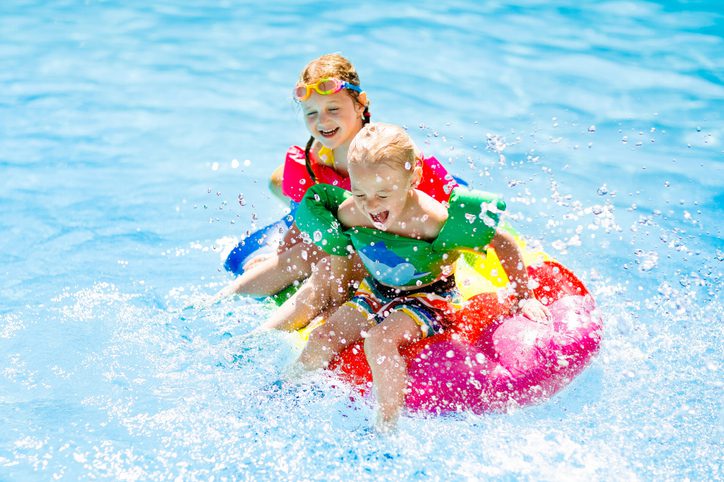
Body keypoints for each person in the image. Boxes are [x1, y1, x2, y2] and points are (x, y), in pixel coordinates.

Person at [291, 123, 551, 431]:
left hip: (429, 296)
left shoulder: (430, 219)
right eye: (360, 192)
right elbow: (344, 251)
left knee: (380, 341)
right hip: (375, 289)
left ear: (413, 178)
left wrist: (524, 297)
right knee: (323, 336)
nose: (371, 205)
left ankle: (386, 426)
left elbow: (502, 242)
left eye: (382, 194)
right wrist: (340, 297)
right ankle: (287, 392)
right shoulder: (351, 211)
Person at [215, 54, 457, 331]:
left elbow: (452, 208)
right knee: (302, 239)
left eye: (333, 109)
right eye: (311, 113)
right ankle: (218, 304)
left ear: (360, 103)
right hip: (344, 237)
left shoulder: (388, 156)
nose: (323, 121)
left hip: (386, 248)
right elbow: (308, 218)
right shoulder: (314, 160)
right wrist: (279, 252)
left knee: (317, 256)